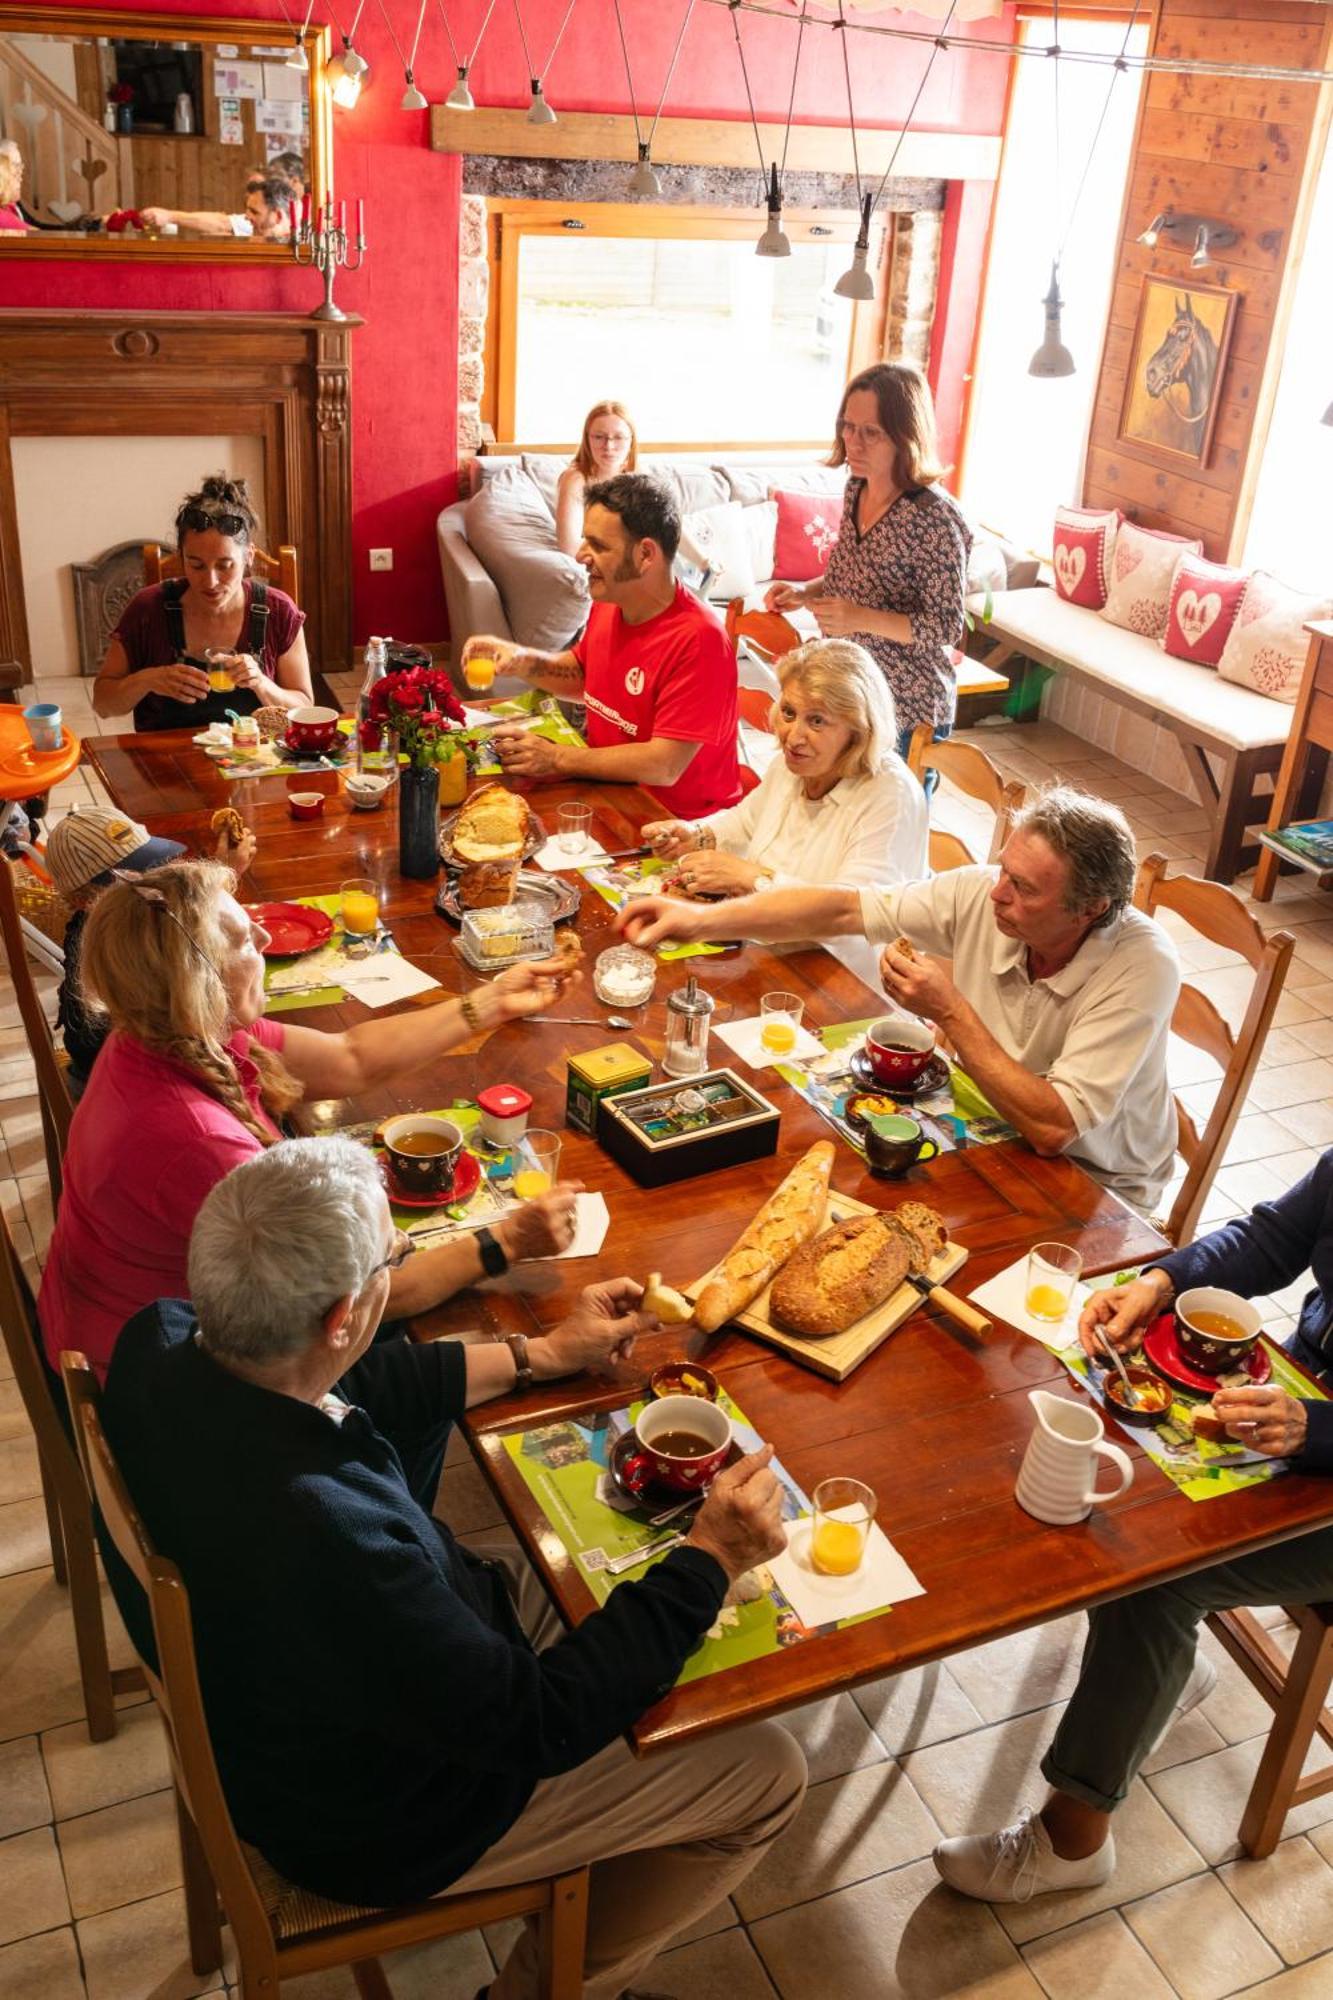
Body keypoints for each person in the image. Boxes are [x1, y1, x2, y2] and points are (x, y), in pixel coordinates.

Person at [101, 1138, 806, 1994]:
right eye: (390, 1263)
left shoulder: (162, 1339)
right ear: (340, 1319)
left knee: (593, 1572)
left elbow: (364, 1387)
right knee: (768, 1772)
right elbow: (534, 1724)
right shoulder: (333, 1539)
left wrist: (547, 1354)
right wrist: (708, 1559)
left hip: (295, 1703)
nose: (398, 1270)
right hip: (381, 1821)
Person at [933, 1162, 1333, 1904]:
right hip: (1302, 1400)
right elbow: (1273, 1235)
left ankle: (1072, 1840)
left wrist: (1321, 1430)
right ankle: (1158, 1672)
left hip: (1320, 1431)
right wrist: (1159, 1283)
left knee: (1157, 1576)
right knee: (1105, 1452)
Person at [38, 860, 583, 1382]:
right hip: (152, 1379)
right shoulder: (202, 1142)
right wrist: (508, 1241)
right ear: (196, 981)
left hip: (107, 1330)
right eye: (244, 940)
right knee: (414, 1380)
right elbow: (364, 1294)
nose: (266, 940)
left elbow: (351, 1057)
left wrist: (492, 1001)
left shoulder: (161, 1029)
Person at [619, 787, 1180, 1213]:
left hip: (1094, 1183)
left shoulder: (1141, 965)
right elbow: (842, 909)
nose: (997, 894)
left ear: (1090, 909)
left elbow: (1055, 1128)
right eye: (1004, 871)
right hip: (986, 1120)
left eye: (1025, 888)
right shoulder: (983, 894)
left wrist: (951, 1012)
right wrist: (700, 920)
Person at [641, 638, 927, 989]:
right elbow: (745, 821)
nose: (794, 736)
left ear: (858, 730)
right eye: (789, 713)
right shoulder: (793, 764)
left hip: (842, 983)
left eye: (817, 721)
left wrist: (752, 879)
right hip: (766, 951)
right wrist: (697, 834)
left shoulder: (890, 794)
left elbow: (853, 916)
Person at [462, 472, 743, 821]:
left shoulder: (700, 638)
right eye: (585, 541)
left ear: (645, 555)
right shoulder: (610, 601)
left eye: (598, 545)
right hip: (609, 790)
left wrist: (557, 758)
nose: (581, 555)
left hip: (675, 824)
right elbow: (583, 677)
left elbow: (664, 765)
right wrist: (519, 659)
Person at [764, 363, 971, 762]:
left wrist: (858, 617)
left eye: (870, 432)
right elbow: (851, 571)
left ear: (905, 435)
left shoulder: (935, 518)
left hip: (907, 707)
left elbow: (946, 625)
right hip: (849, 695)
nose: (853, 443)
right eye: (848, 426)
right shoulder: (857, 487)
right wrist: (806, 592)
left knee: (888, 822)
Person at [93, 474, 313, 731]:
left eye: (225, 565)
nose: (210, 581)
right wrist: (148, 679)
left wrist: (261, 683)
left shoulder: (277, 611)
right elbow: (103, 704)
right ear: (181, 558)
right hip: (169, 761)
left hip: (252, 760)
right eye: (196, 565)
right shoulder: (148, 608)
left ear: (249, 557)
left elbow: (305, 708)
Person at [45, 807, 187, 1095]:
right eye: (136, 876)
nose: (155, 878)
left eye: (153, 865)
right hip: (110, 1084)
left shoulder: (122, 917)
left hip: (123, 1065)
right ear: (85, 899)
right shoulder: (109, 947)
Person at [555, 400, 637, 556]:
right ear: (587, 440)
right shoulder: (575, 480)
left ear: (631, 441)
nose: (609, 446)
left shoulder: (637, 477)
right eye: (599, 437)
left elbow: (667, 530)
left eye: (618, 437)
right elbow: (569, 546)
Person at [139, 172, 297, 241]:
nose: (247, 216)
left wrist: (169, 216)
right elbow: (220, 221)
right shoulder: (253, 227)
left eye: (255, 212)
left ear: (277, 217)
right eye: (247, 209)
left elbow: (222, 224)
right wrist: (169, 216)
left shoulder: (305, 242)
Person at [0, 139, 27, 232]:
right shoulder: (2, 216)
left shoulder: (13, 204)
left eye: (20, 165)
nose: (20, 172)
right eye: (15, 165)